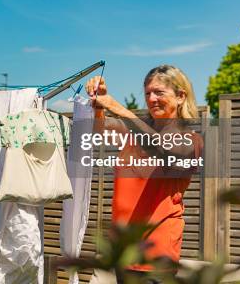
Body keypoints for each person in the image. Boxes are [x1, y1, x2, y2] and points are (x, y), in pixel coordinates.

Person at [85, 65, 203, 282]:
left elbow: (166, 151)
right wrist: (99, 106)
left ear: (180, 96)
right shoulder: (133, 133)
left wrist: (121, 110)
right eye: (148, 93)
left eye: (159, 92)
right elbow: (99, 131)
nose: (151, 99)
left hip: (156, 254)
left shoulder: (190, 141)